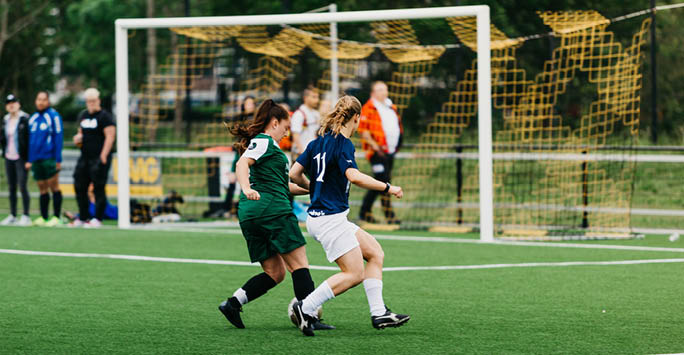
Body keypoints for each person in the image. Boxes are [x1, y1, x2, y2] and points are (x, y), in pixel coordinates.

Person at [289, 95, 410, 337]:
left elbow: (294, 173)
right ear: (355, 118)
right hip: (329, 219)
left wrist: (313, 188)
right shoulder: (343, 143)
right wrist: (388, 187)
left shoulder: (317, 142)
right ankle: (306, 307)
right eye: (358, 122)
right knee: (354, 273)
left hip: (324, 217)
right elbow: (354, 176)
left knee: (375, 253)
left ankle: (379, 313)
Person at [218, 99, 333, 331]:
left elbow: (284, 185)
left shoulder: (269, 148)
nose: (287, 132)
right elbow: (242, 165)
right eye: (285, 126)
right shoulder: (263, 141)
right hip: (272, 210)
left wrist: (314, 189)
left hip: (251, 214)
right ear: (274, 122)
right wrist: (246, 188)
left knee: (275, 272)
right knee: (299, 264)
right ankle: (308, 316)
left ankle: (233, 303)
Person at [358, 81, 403, 224]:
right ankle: (367, 212)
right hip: (376, 152)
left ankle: (382, 214)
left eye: (385, 89)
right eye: (379, 90)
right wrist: (375, 146)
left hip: (389, 152)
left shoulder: (391, 107)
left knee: (384, 181)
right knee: (381, 181)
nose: (383, 92)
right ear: (373, 93)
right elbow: (364, 131)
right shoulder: (368, 108)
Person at [70, 88, 116, 228]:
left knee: (98, 188)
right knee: (79, 185)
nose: (91, 103)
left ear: (98, 100)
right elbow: (80, 135)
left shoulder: (105, 117)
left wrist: (103, 155)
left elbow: (110, 136)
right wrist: (77, 140)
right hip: (85, 157)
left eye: (93, 100)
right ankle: (83, 217)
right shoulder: (83, 115)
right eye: (89, 101)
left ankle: (98, 218)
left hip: (99, 157)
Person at [26, 91, 63, 227]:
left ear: (48, 101)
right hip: (36, 159)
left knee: (54, 186)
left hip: (50, 158)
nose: (41, 102)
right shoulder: (33, 118)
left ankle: (57, 217)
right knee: (42, 188)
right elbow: (30, 140)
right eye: (39, 99)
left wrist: (58, 159)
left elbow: (58, 137)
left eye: (43, 99)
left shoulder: (53, 116)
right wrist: (29, 159)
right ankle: (43, 216)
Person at [0, 94, 31, 226]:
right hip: (9, 156)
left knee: (22, 185)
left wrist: (29, 159)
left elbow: (30, 140)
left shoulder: (25, 119)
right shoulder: (5, 119)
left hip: (21, 157)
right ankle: (13, 214)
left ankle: (26, 215)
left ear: (18, 104)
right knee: (11, 187)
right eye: (8, 103)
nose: (11, 105)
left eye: (13, 102)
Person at [223, 95, 256, 218]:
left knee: (247, 182)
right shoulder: (239, 119)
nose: (250, 106)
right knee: (233, 180)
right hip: (240, 154)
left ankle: (244, 208)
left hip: (251, 154)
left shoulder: (258, 120)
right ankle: (227, 208)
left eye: (251, 104)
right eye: (247, 104)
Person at [290, 87, 320, 158]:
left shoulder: (316, 114)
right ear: (305, 98)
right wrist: (302, 153)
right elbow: (295, 134)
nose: (317, 100)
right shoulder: (299, 114)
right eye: (314, 97)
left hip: (313, 154)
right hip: (301, 154)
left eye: (317, 97)